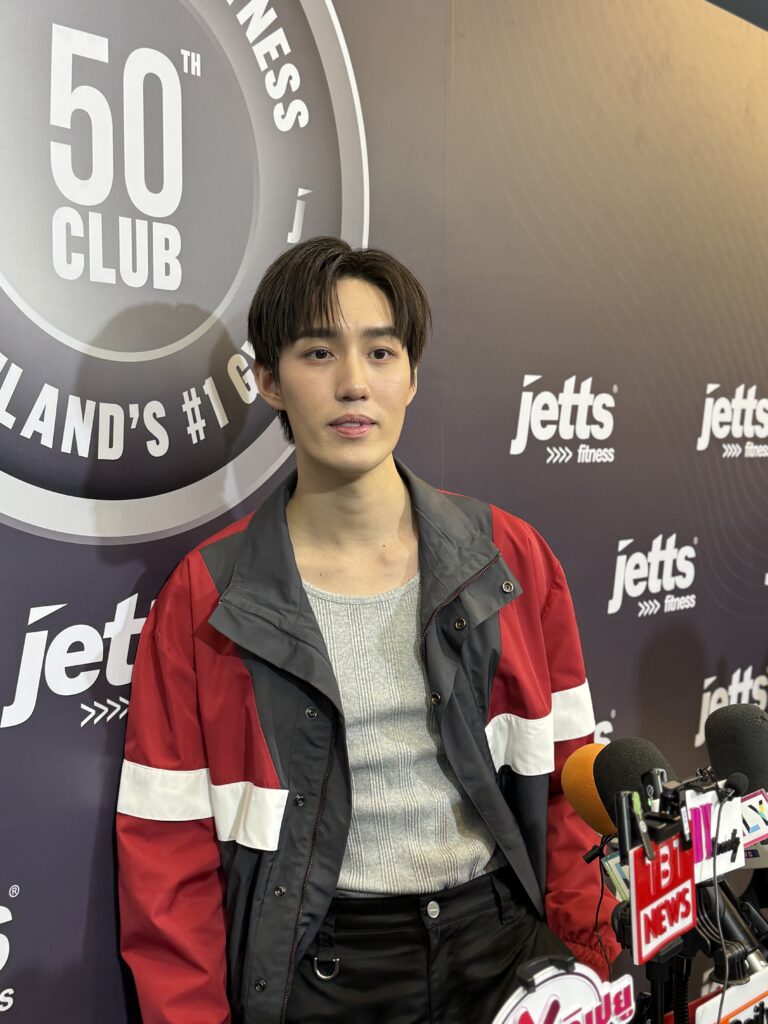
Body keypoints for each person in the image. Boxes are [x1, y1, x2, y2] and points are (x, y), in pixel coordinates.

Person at [116, 236, 619, 1024]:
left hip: (504, 950)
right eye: (319, 353)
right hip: (326, 972)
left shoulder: (510, 557)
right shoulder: (207, 595)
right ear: (269, 381)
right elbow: (166, 850)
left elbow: (569, 788)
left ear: (411, 376)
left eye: (381, 352)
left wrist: (588, 962)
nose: (354, 383)